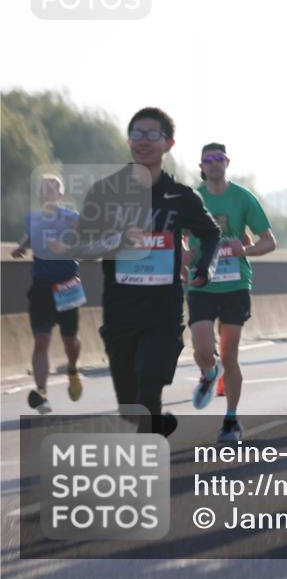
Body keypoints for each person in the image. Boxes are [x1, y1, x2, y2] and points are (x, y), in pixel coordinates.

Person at [57, 107, 221, 436]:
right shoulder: (106, 191)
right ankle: (155, 424)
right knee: (132, 407)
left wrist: (205, 265)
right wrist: (117, 242)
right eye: (136, 134)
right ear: (128, 140)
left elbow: (211, 233)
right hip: (121, 311)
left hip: (163, 309)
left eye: (152, 135)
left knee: (149, 385)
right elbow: (77, 245)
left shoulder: (181, 196)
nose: (142, 141)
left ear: (169, 143)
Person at [187, 143, 276, 442]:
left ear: (227, 163)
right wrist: (185, 254)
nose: (214, 164)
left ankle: (230, 420)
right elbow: (173, 238)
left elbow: (269, 241)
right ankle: (209, 374)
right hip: (201, 281)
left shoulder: (242, 197)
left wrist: (245, 249)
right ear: (201, 166)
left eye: (219, 159)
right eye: (208, 160)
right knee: (202, 349)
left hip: (235, 283)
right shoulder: (191, 198)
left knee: (230, 354)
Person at [12, 174, 84, 414]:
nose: (48, 191)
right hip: (41, 285)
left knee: (70, 341)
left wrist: (66, 247)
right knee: (41, 340)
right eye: (44, 188)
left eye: (54, 187)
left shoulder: (71, 217)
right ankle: (42, 394)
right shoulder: (33, 218)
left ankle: (72, 369)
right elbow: (34, 235)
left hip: (67, 285)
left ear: (61, 194)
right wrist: (23, 246)